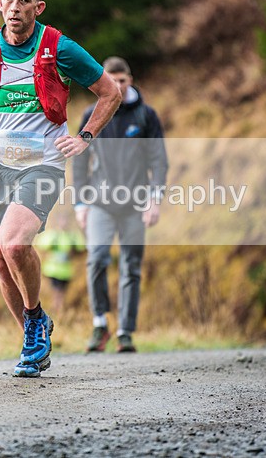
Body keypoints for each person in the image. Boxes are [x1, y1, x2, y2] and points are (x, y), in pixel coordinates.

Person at [0, 0, 121, 377]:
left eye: (24, 0)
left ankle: (35, 322)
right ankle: (34, 335)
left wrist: (85, 136)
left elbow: (110, 92)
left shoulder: (59, 47)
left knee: (14, 244)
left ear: (38, 7)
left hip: (43, 163)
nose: (15, 7)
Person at [72, 56, 168, 353]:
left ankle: (125, 331)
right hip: (100, 203)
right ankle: (100, 323)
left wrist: (154, 199)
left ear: (130, 80)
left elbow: (158, 160)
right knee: (97, 258)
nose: (117, 85)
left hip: (135, 204)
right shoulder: (92, 114)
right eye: (111, 80)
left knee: (131, 266)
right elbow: (80, 159)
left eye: (122, 80)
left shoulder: (145, 116)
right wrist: (80, 202)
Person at [35, 209, 85, 313]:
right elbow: (42, 247)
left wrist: (73, 252)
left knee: (62, 290)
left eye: (66, 220)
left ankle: (58, 308)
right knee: (57, 290)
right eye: (62, 220)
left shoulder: (73, 236)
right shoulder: (53, 235)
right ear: (58, 221)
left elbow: (82, 249)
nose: (64, 223)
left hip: (66, 271)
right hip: (52, 270)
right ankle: (57, 307)